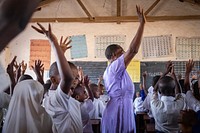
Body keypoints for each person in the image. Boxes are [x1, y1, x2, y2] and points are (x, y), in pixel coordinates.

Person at [101, 5, 146, 133]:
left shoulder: (120, 71)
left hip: (124, 110)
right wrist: (142, 24)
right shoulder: (114, 67)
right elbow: (133, 50)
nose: (125, 54)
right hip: (117, 112)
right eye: (121, 52)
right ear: (113, 56)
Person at [32, 23, 83, 133]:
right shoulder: (55, 99)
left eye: (77, 78)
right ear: (53, 80)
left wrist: (62, 53)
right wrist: (53, 43)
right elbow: (67, 78)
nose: (75, 81)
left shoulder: (64, 97)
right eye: (73, 78)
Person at [151, 62, 184, 133]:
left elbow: (154, 90)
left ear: (159, 91)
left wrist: (165, 72)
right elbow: (179, 93)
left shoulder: (155, 104)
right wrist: (173, 75)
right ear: (173, 90)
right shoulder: (179, 104)